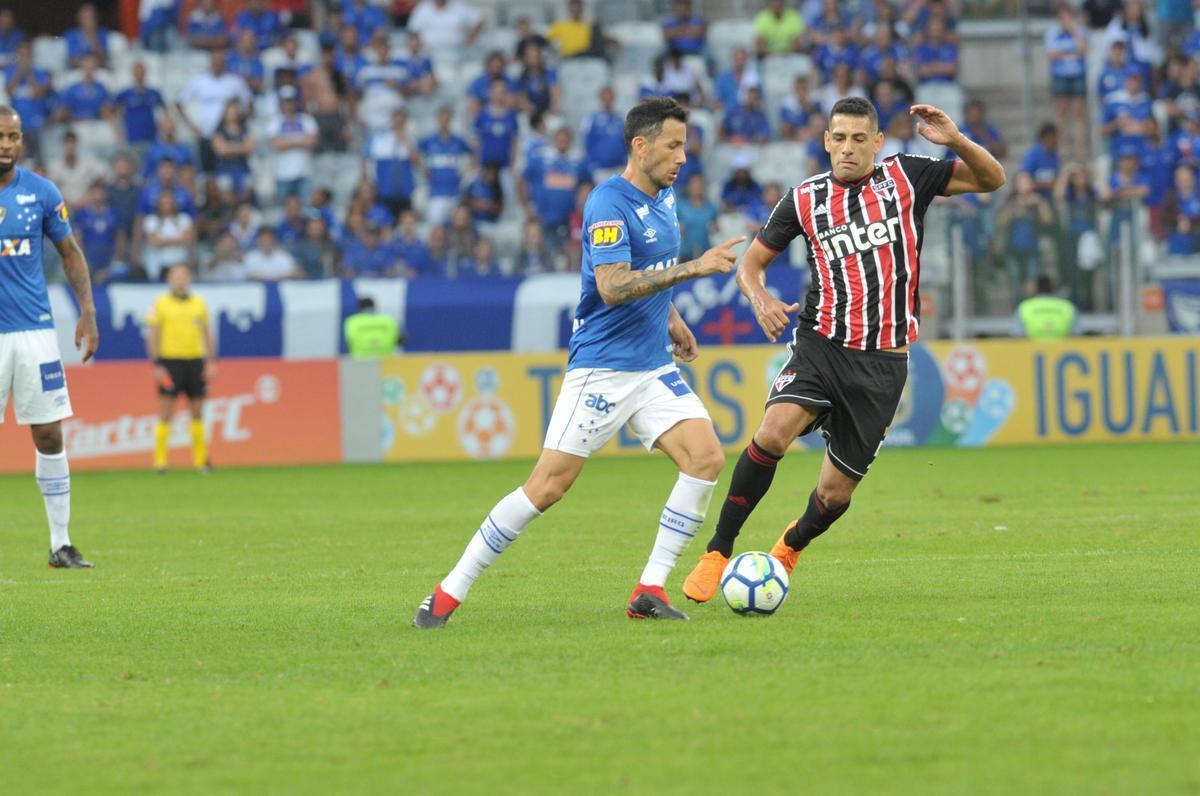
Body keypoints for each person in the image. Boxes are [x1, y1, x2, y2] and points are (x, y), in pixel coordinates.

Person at [413, 97, 747, 628]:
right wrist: (694, 269)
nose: (683, 157)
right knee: (547, 488)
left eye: (685, 146)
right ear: (641, 146)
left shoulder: (665, 198)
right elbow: (612, 286)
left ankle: (649, 589)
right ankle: (447, 592)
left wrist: (672, 319)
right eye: (673, 146)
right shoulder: (608, 203)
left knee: (705, 458)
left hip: (652, 367)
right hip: (603, 368)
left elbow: (649, 269)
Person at [679, 97, 1005, 603]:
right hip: (822, 346)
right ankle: (718, 551)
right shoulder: (805, 198)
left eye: (858, 139)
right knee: (772, 433)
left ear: (877, 142)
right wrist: (760, 299)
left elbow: (992, 180)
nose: (848, 148)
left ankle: (790, 545)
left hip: (884, 364)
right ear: (826, 141)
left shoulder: (907, 176)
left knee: (834, 495)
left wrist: (957, 140)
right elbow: (751, 265)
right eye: (839, 138)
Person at [0, 104, 101, 568]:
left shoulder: (41, 192)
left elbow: (70, 252)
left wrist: (88, 311)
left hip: (34, 331)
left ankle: (60, 543)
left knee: (48, 434)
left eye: (13, 137)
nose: (6, 145)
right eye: (0, 136)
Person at [145, 264, 215, 473]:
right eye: (176, 276)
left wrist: (211, 361)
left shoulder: (199, 303)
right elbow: (153, 335)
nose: (180, 280)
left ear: (189, 279)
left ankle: (201, 461)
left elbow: (207, 333)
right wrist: (157, 364)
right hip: (170, 362)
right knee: (166, 411)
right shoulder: (160, 303)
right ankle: (160, 462)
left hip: (195, 361)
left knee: (197, 411)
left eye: (183, 276)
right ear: (169, 279)